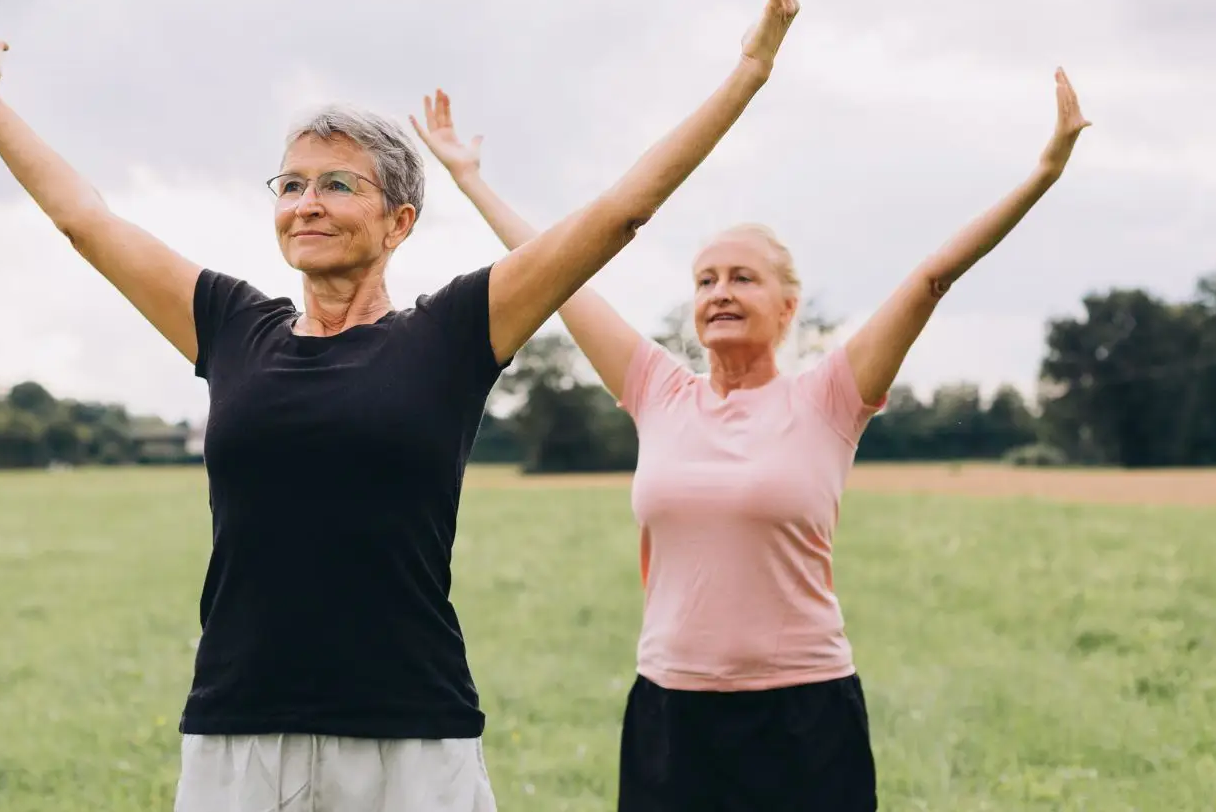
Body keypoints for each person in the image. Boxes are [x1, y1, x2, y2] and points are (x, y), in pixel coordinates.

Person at [0, 0, 801, 810]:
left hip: (411, 738)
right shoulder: (232, 326)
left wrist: (750, 69)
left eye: (338, 185)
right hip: (240, 733)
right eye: (292, 184)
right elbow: (88, 222)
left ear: (400, 221)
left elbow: (621, 211)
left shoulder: (455, 331)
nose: (307, 203)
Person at [415, 56, 1092, 809]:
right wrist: (470, 178)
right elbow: (556, 274)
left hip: (803, 713)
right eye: (705, 280)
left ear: (787, 305)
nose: (719, 293)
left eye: (742, 277)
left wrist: (1044, 171)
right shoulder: (658, 391)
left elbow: (932, 277)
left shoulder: (832, 396)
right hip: (671, 711)